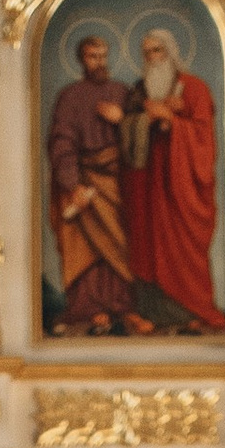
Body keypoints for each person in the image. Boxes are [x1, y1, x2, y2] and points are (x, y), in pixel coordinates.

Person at [121, 24, 225, 334]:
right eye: (147, 52)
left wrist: (172, 122)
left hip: (182, 186)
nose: (152, 57)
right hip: (149, 186)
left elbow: (204, 138)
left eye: (158, 50)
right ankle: (154, 312)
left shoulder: (193, 88)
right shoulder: (140, 91)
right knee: (148, 245)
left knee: (183, 246)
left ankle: (190, 309)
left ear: (171, 53)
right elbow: (128, 131)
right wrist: (143, 119)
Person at [47, 30, 147, 332]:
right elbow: (61, 142)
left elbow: (142, 135)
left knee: (119, 241)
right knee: (87, 245)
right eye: (93, 56)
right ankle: (90, 309)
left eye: (103, 55)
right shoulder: (70, 97)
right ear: (82, 59)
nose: (99, 61)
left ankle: (123, 307)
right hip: (85, 178)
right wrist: (72, 183)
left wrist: (123, 120)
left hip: (116, 178)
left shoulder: (122, 92)